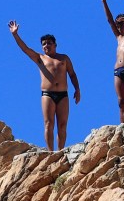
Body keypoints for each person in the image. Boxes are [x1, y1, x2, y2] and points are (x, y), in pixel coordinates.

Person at [8, 21, 80, 150]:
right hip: (48, 94)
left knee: (62, 125)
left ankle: (60, 151)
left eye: (49, 43)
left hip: (63, 94)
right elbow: (25, 49)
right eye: (44, 44)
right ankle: (50, 151)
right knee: (48, 124)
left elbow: (72, 74)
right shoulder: (40, 58)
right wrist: (15, 34)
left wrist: (77, 89)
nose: (46, 45)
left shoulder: (64, 58)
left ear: (55, 45)